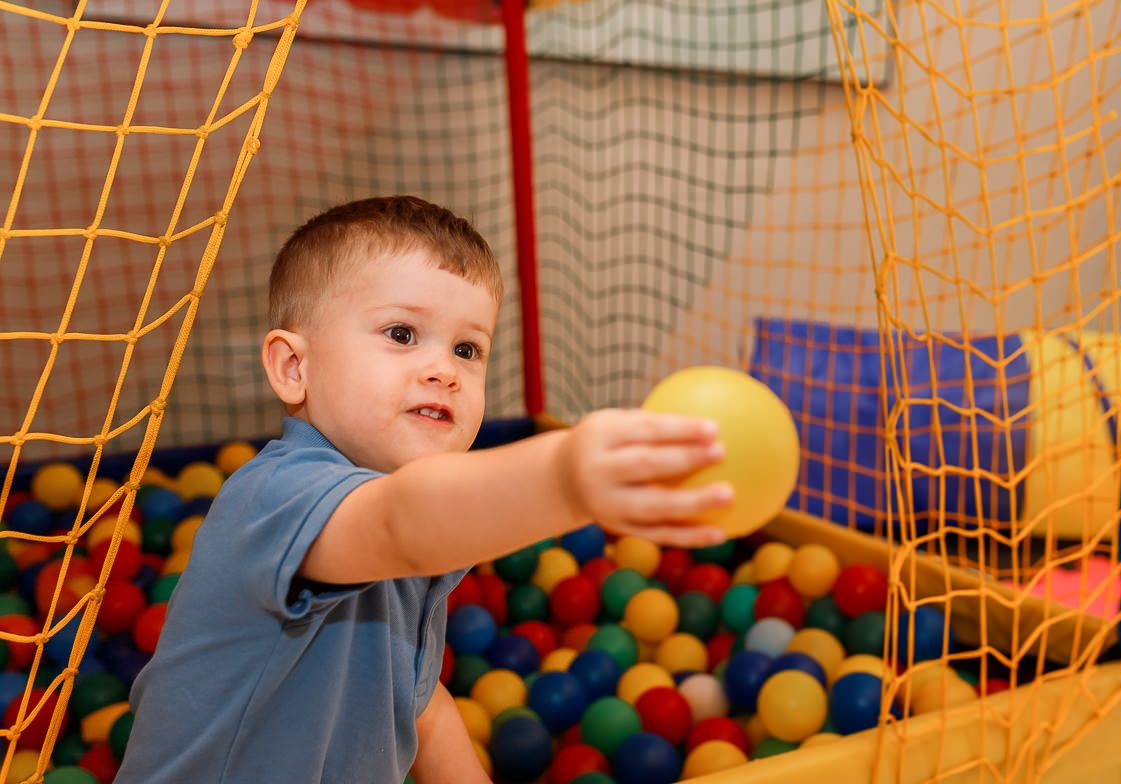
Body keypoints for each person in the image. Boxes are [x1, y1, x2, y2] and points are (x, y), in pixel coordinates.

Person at [115, 195, 733, 783]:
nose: (444, 370)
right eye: (402, 334)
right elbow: (399, 523)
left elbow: (416, 704)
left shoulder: (408, 527)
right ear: (293, 368)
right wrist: (565, 478)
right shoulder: (278, 496)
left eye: (468, 349)